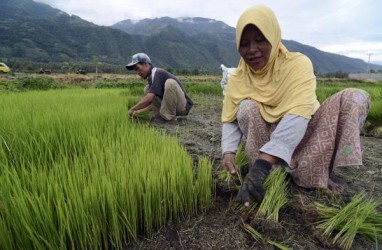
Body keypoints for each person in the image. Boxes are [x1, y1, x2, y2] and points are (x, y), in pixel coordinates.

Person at [221, 5, 371, 206]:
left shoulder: (297, 64)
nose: (252, 50)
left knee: (355, 97)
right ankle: (272, 173)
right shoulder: (238, 78)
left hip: (306, 134)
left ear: (273, 38)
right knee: (246, 107)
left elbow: (298, 115)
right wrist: (228, 152)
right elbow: (230, 118)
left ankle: (312, 173)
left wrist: (261, 167)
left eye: (260, 40)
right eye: (245, 43)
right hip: (265, 140)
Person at [126, 53, 193, 123]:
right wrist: (138, 112)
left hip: (183, 107)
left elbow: (149, 99)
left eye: (138, 68)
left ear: (146, 64)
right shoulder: (151, 77)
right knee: (147, 89)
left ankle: (169, 118)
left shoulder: (157, 73)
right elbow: (152, 104)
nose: (138, 72)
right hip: (173, 106)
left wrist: (132, 109)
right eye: (135, 70)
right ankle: (163, 114)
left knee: (170, 83)